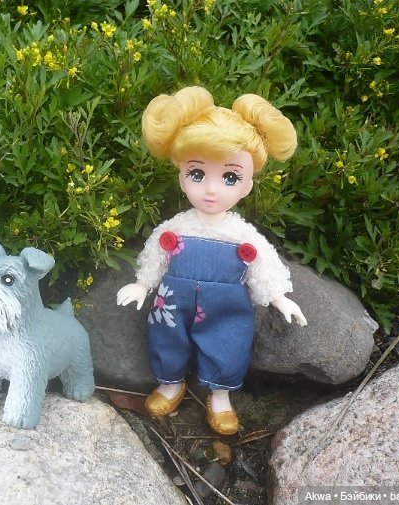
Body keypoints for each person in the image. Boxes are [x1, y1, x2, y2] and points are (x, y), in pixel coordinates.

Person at [116, 86, 307, 435]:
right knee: (166, 335)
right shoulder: (176, 227)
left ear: (247, 186)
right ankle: (171, 382)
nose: (211, 189)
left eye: (230, 177)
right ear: (181, 176)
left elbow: (263, 264)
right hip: (172, 300)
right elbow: (157, 252)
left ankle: (220, 395)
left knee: (228, 341)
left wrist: (279, 297)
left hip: (226, 304)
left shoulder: (242, 235)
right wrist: (143, 284)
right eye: (197, 174)